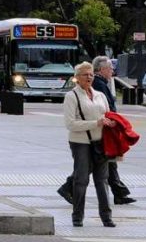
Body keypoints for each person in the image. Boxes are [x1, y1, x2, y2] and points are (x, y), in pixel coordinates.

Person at [58, 56, 135, 205]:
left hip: (101, 135)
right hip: (86, 138)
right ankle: (71, 193)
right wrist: (99, 122)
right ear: (102, 69)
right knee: (90, 169)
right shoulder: (95, 86)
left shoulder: (100, 86)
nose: (112, 71)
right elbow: (73, 122)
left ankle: (116, 195)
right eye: (110, 68)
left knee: (102, 167)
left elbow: (106, 109)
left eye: (90, 74)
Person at [64, 61, 116, 228]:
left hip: (101, 142)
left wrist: (111, 123)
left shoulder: (100, 95)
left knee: (102, 180)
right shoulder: (72, 96)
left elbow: (108, 115)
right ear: (77, 77)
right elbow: (70, 124)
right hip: (80, 142)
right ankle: (77, 217)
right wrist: (96, 123)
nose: (89, 77)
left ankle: (106, 217)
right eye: (85, 74)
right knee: (81, 180)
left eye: (91, 74)